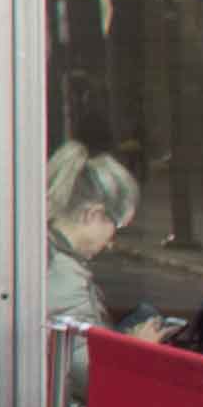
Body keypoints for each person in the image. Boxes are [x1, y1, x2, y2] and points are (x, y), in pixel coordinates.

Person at [44, 142, 137, 331]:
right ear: (93, 214)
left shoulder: (43, 249)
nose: (110, 243)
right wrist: (139, 343)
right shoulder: (68, 280)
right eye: (117, 225)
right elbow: (83, 350)